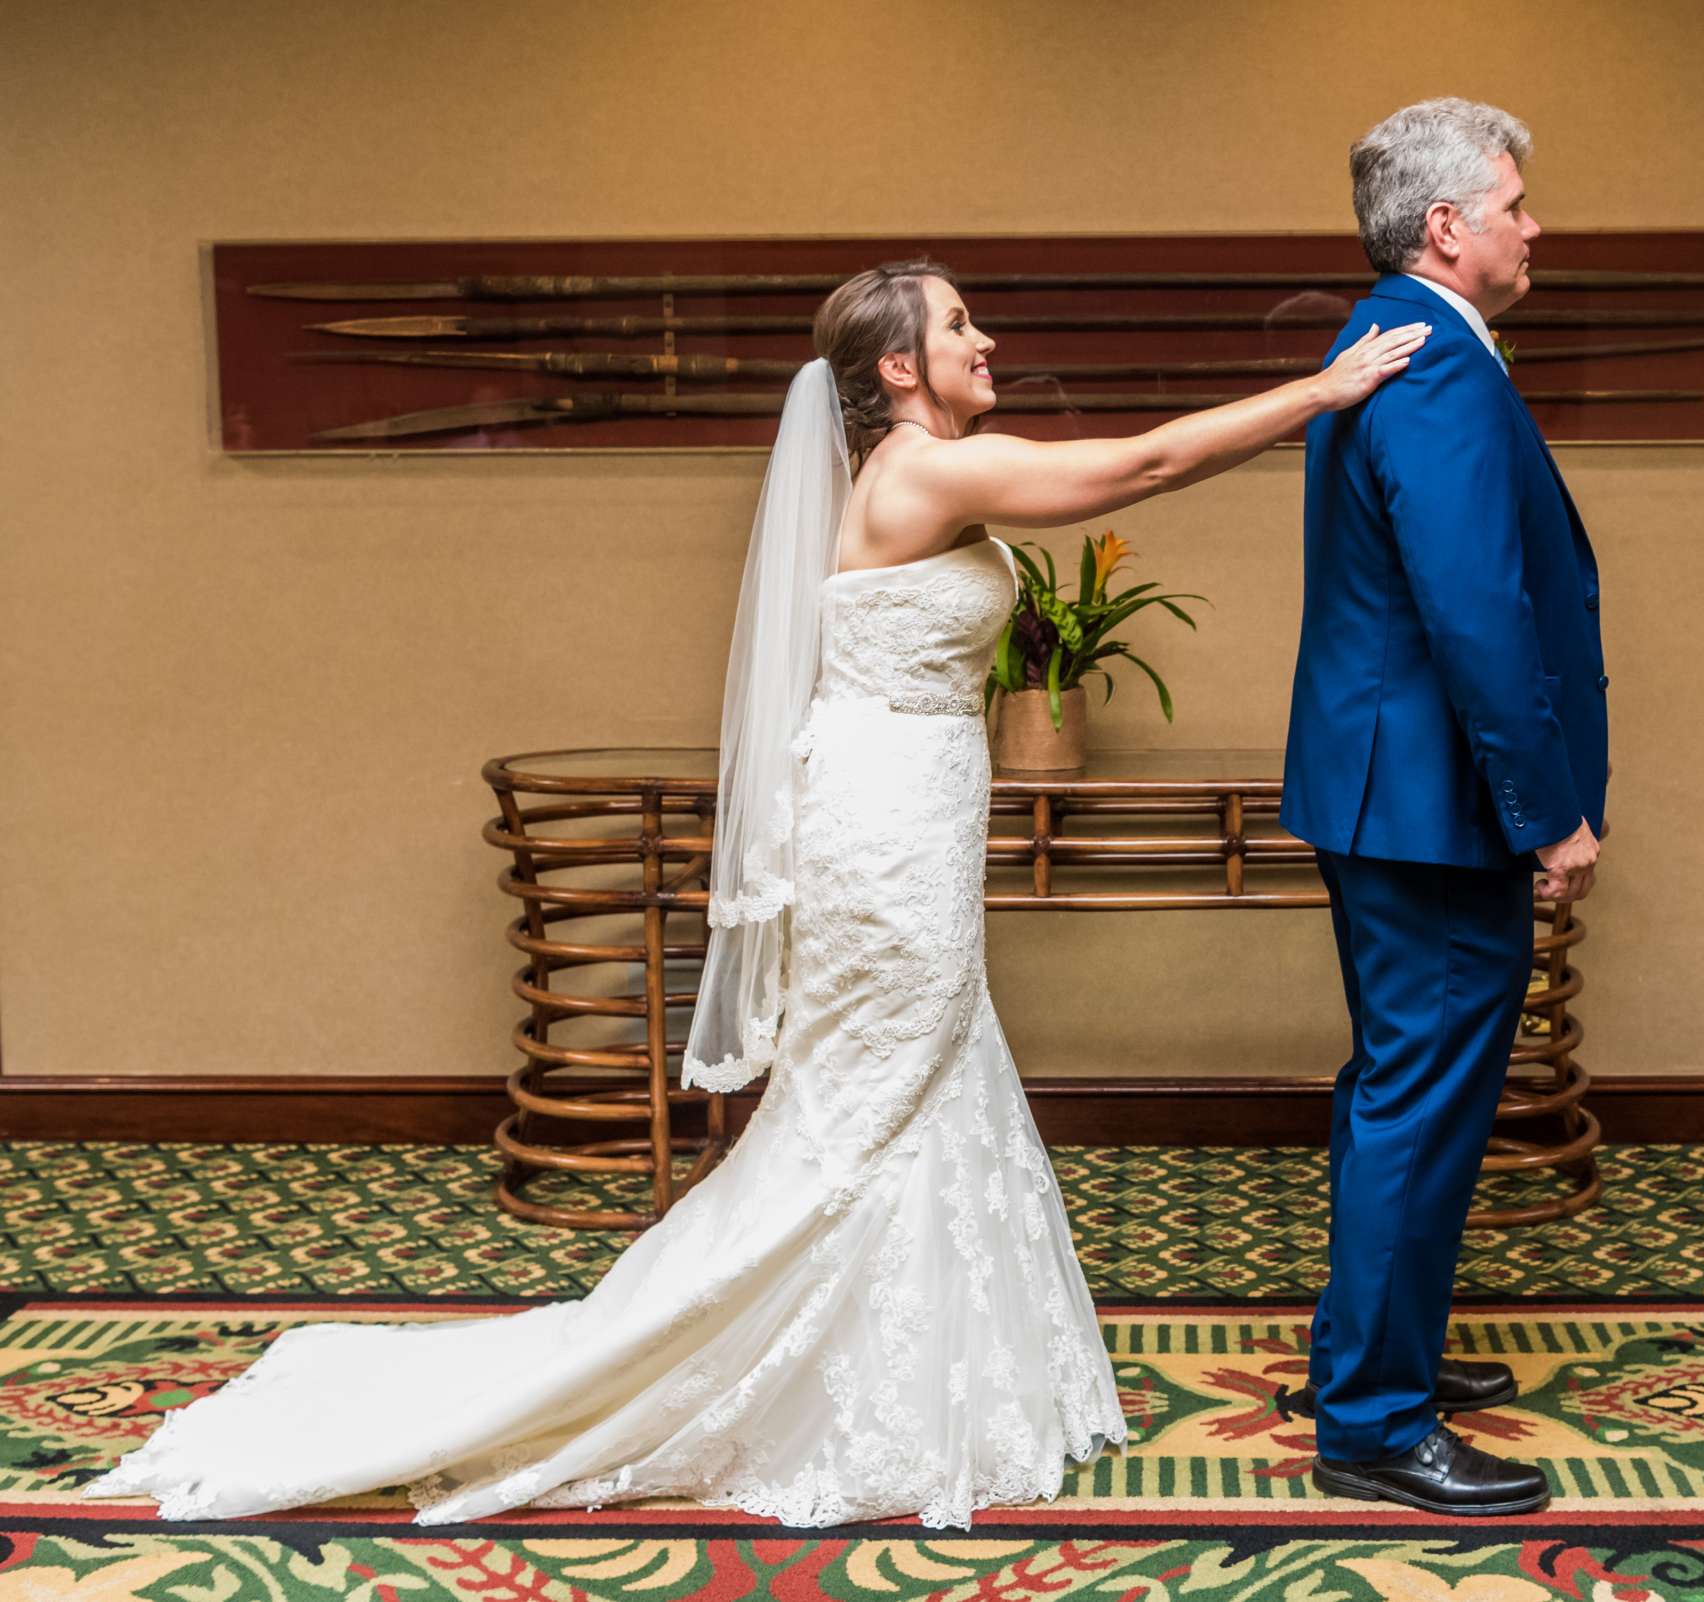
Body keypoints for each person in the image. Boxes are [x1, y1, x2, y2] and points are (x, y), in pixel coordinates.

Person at [81, 264, 1428, 1530]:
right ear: (900, 366)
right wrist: (1323, 390)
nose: (987, 343)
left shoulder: (912, 469)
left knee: (912, 1083)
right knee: (861, 1107)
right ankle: (721, 1370)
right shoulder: (921, 473)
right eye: (962, 326)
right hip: (885, 830)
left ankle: (912, 1379)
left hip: (911, 806)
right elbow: (1134, 464)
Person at [1275, 98, 1610, 1517]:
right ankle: (1370, 1422)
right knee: (1420, 1096)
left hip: (1392, 792)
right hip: (1432, 801)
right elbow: (1474, 608)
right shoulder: (1432, 370)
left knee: (1397, 1087)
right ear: (1449, 226)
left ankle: (1374, 1352)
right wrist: (1548, 811)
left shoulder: (1390, 343)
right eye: (1518, 202)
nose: (1537, 225)